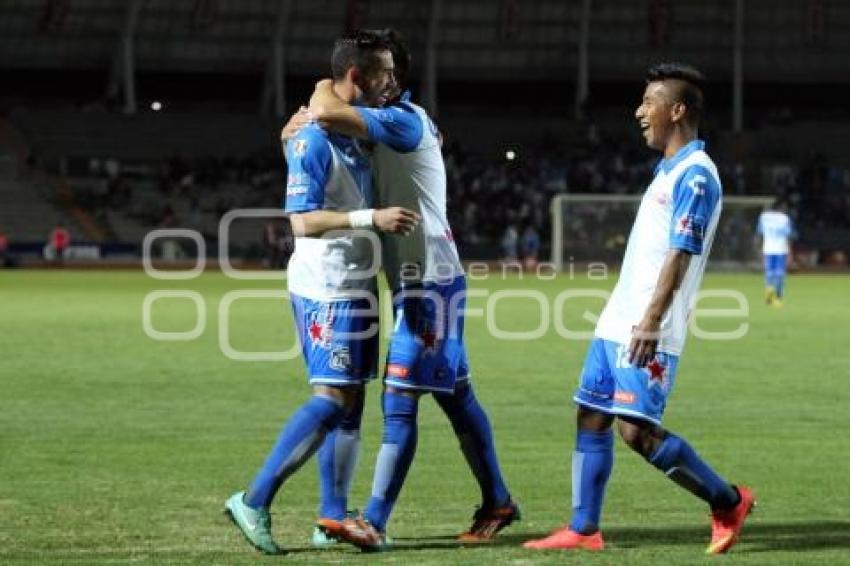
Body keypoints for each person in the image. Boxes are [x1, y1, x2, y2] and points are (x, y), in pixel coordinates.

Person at [285, 29, 519, 551]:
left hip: (430, 282)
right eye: (380, 72)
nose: (387, 80)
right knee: (457, 395)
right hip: (422, 279)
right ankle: (498, 500)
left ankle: (373, 520)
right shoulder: (381, 125)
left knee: (400, 399)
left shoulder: (402, 120)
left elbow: (326, 110)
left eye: (392, 73)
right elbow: (321, 134)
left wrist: (326, 84)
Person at [524, 63, 755, 555]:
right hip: (617, 321)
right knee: (590, 415)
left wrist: (651, 320)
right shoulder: (669, 170)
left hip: (648, 325)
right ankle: (583, 530)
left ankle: (727, 500)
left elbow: (680, 252)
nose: (639, 112)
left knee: (637, 432)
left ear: (677, 109)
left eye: (649, 102)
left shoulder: (696, 176)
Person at [223, 30, 420, 556]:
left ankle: (330, 517)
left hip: (358, 284)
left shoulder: (353, 129)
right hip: (327, 286)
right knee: (332, 398)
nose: (393, 82)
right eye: (383, 73)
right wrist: (370, 217)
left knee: (351, 406)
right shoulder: (312, 138)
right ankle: (254, 499)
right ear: (356, 76)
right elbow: (302, 222)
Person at [756, 198, 794, 307]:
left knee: (769, 273)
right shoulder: (784, 219)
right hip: (781, 250)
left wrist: (759, 249)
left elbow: (759, 234)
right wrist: (791, 253)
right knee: (780, 274)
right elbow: (788, 236)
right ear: (782, 207)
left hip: (767, 249)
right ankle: (777, 298)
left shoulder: (764, 217)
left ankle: (769, 294)